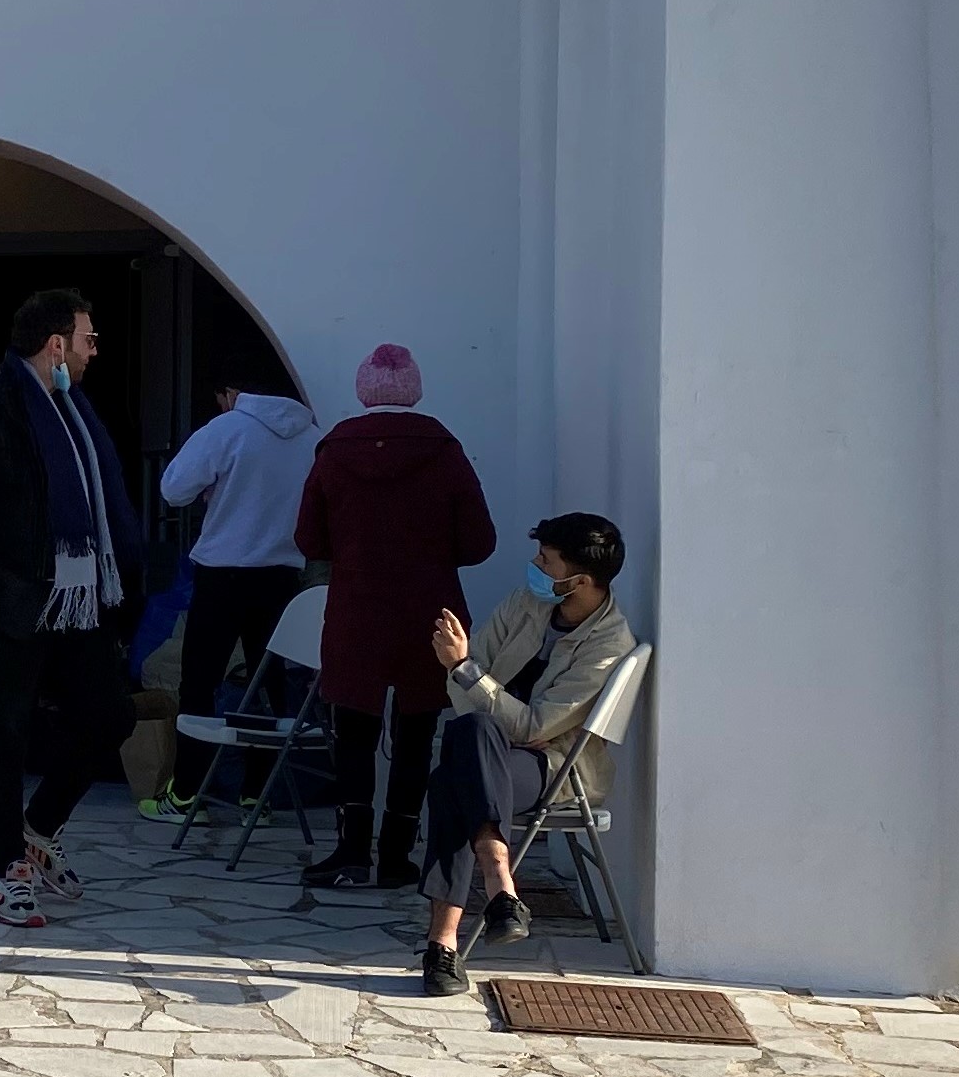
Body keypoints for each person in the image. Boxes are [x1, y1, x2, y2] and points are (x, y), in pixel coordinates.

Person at [0, 289, 146, 928]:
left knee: (110, 716)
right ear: (55, 344)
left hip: (76, 601)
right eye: (88, 339)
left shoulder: (75, 411)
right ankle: (9, 870)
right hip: (6, 600)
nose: (93, 351)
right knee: (2, 736)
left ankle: (39, 826)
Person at [291, 343, 496, 890]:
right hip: (429, 612)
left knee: (353, 733)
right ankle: (398, 857)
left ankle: (352, 850)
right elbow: (479, 542)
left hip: (356, 609)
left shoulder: (334, 453)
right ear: (416, 389)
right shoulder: (445, 452)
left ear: (363, 390)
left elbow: (308, 538)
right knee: (416, 734)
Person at [417, 514, 641, 996]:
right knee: (470, 738)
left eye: (546, 561)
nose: (535, 567)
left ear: (578, 581)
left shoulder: (608, 644)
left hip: (553, 770)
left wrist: (465, 670)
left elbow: (534, 725)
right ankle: (499, 882)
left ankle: (444, 946)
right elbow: (462, 692)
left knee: (458, 765)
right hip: (494, 754)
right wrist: (468, 679)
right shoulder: (525, 604)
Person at [157, 372, 322, 797]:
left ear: (230, 392)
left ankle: (187, 791)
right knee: (267, 687)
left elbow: (173, 489)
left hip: (223, 573)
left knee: (199, 682)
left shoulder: (227, 427)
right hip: (283, 576)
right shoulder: (311, 436)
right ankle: (257, 796)